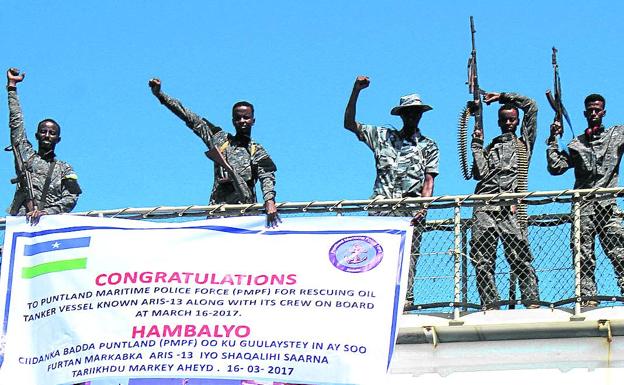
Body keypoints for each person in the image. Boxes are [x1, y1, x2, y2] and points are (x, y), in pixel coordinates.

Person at [343, 75, 439, 309]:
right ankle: (374, 298)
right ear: (401, 115)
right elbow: (349, 123)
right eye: (408, 112)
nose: (412, 116)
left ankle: (405, 299)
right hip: (382, 208)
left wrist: (423, 209)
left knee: (408, 257)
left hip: (410, 211)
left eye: (416, 112)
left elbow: (429, 181)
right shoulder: (382, 136)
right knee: (376, 255)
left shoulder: (428, 146)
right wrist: (356, 91)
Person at [148, 78, 280, 228]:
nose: (242, 121)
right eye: (238, 118)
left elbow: (267, 176)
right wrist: (160, 95)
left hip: (245, 213)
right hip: (218, 212)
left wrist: (269, 201)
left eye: (246, 117)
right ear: (233, 121)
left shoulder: (256, 150)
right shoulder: (220, 139)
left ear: (253, 120)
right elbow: (191, 118)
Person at [547, 93, 624, 306]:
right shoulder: (576, 144)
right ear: (584, 113)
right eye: (590, 110)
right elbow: (556, 167)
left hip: (608, 206)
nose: (593, 113)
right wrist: (553, 138)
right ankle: (588, 299)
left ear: (603, 112)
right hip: (583, 209)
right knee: (583, 256)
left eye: (597, 109)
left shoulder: (616, 134)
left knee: (619, 252)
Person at [469, 91, 540, 309]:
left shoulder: (523, 144)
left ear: (518, 122)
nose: (509, 123)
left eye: (512, 119)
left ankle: (531, 301)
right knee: (482, 259)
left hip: (510, 209)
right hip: (485, 206)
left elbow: (532, 105)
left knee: (519, 256)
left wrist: (502, 96)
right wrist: (476, 146)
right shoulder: (490, 147)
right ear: (498, 122)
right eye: (505, 120)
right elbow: (479, 173)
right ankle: (490, 304)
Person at [6, 68, 81, 224]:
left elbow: (72, 197)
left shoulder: (64, 169)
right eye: (43, 131)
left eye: (52, 133)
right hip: (21, 223)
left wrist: (46, 213)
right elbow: (16, 124)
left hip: (50, 227)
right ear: (37, 135)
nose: (47, 135)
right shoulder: (26, 156)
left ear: (58, 139)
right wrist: (12, 88)